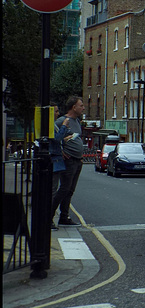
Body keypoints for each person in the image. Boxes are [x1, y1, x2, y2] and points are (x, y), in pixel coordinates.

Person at [52, 96, 85, 227]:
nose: (83, 108)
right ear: (74, 107)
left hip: (77, 160)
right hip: (69, 160)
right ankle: (50, 215)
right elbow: (54, 137)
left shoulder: (77, 121)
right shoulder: (62, 120)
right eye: (81, 105)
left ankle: (64, 217)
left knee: (70, 190)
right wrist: (61, 151)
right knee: (64, 188)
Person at [50, 104, 71, 230]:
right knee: (52, 192)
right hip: (53, 161)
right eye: (56, 111)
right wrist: (64, 126)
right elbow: (56, 139)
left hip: (56, 160)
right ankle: (49, 218)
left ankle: (50, 217)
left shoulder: (53, 124)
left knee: (55, 190)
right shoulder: (50, 124)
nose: (58, 113)